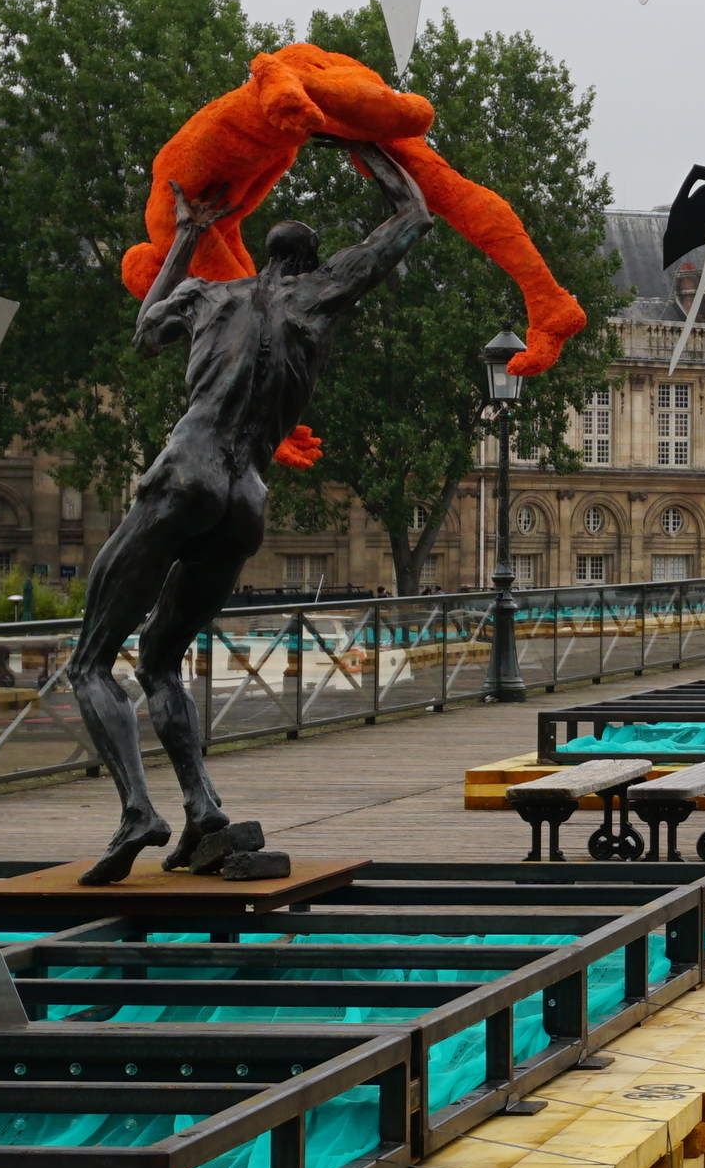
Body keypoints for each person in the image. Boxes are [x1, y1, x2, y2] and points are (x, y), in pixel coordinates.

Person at [72, 147, 436, 883]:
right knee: (158, 658)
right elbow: (415, 217)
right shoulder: (319, 297)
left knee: (88, 661)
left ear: (266, 261)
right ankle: (203, 807)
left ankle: (139, 810)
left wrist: (183, 235)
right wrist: (367, 144)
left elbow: (144, 330)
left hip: (187, 468)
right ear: (309, 263)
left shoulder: (211, 295)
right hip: (246, 497)